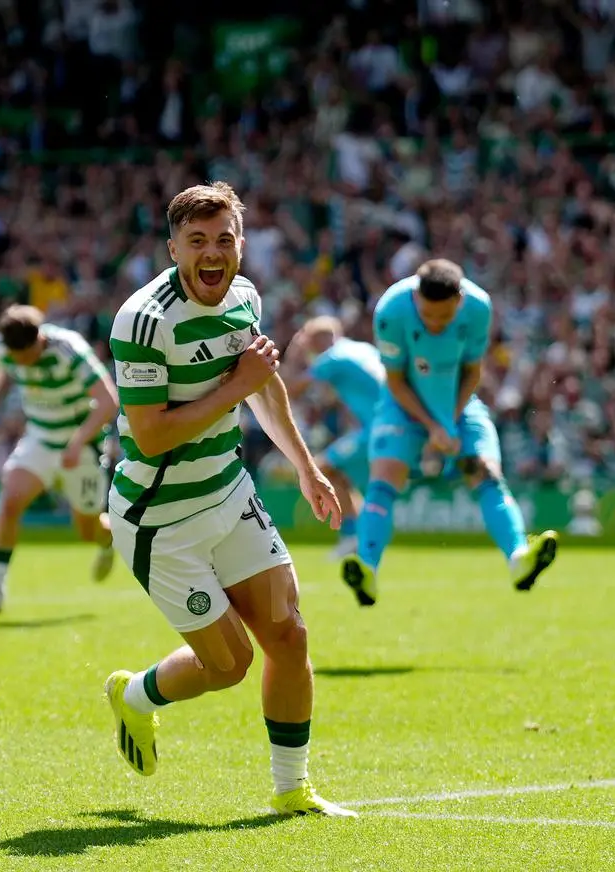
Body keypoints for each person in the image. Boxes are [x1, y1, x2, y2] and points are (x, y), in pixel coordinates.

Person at [103, 181, 356, 817]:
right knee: (231, 664)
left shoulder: (245, 297)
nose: (212, 253)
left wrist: (305, 467)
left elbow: (263, 389)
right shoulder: (144, 319)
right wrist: (238, 384)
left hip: (230, 495)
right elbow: (154, 433)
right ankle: (135, 695)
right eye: (197, 242)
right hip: (160, 523)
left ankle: (291, 790)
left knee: (289, 637)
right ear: (173, 248)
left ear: (239, 245)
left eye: (224, 240)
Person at [342, 258, 559, 606]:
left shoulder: (479, 307)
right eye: (428, 316)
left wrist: (449, 421)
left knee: (487, 474)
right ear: (416, 298)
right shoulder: (390, 310)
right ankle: (366, 569)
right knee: (383, 479)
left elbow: (473, 370)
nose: (436, 324)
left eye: (444, 316)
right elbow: (395, 381)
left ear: (459, 300)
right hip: (403, 405)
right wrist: (431, 427)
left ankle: (519, 558)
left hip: (459, 401)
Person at [0, 304, 119, 613]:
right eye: (16, 359)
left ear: (39, 339)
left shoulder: (69, 350)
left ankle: (107, 541)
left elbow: (108, 400)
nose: (22, 364)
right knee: (10, 502)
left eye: (27, 356)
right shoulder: (4, 346)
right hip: (40, 438)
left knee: (87, 529)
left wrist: (78, 442)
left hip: (82, 446)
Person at [282, 316, 386, 558]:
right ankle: (359, 535)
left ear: (318, 339)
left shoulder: (332, 358)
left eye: (308, 341)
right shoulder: (361, 348)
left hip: (375, 429)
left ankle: (352, 533)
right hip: (386, 425)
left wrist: (294, 354)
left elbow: (290, 391)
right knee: (339, 474)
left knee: (320, 469)